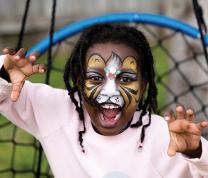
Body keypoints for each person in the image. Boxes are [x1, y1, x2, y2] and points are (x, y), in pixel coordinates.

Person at [0, 24, 208, 178]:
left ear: (143, 86)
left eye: (125, 79)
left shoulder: (166, 136)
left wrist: (196, 151)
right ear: (80, 82)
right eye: (96, 78)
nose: (110, 92)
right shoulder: (57, 111)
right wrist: (5, 75)